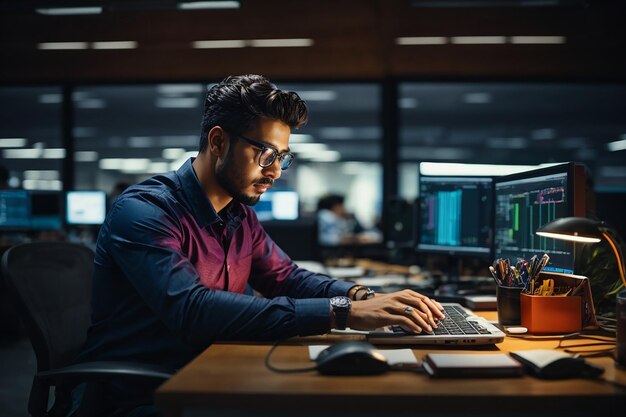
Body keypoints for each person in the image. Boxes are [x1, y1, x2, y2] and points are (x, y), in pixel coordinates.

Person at [73, 75, 444, 415]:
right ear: (218, 142)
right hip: (143, 392)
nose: (276, 171)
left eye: (282, 157)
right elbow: (191, 309)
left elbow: (285, 277)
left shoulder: (238, 214)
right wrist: (341, 311)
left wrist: (362, 296)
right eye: (266, 154)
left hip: (210, 370)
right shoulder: (145, 211)